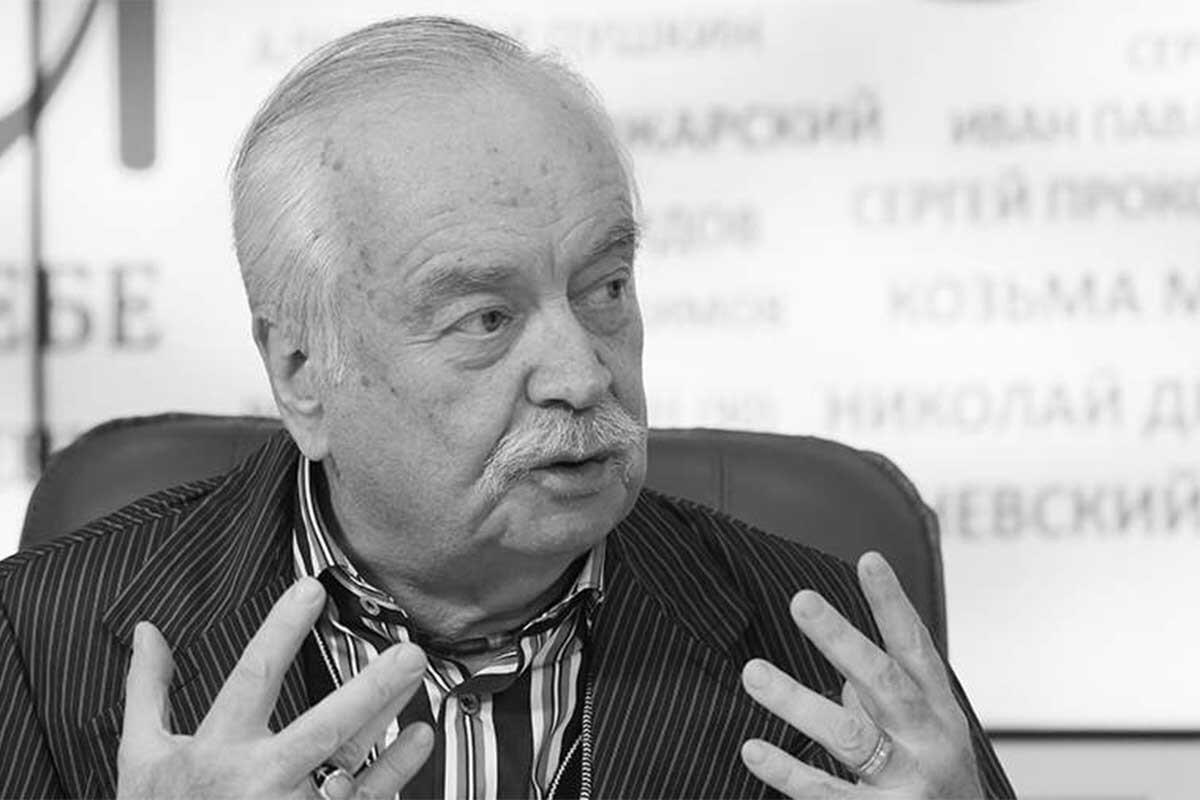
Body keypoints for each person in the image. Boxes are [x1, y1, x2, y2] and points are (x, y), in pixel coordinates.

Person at [0, 16, 1015, 800]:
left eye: (604, 287)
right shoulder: (40, 642)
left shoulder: (840, 664)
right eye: (486, 317)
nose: (582, 372)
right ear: (303, 370)